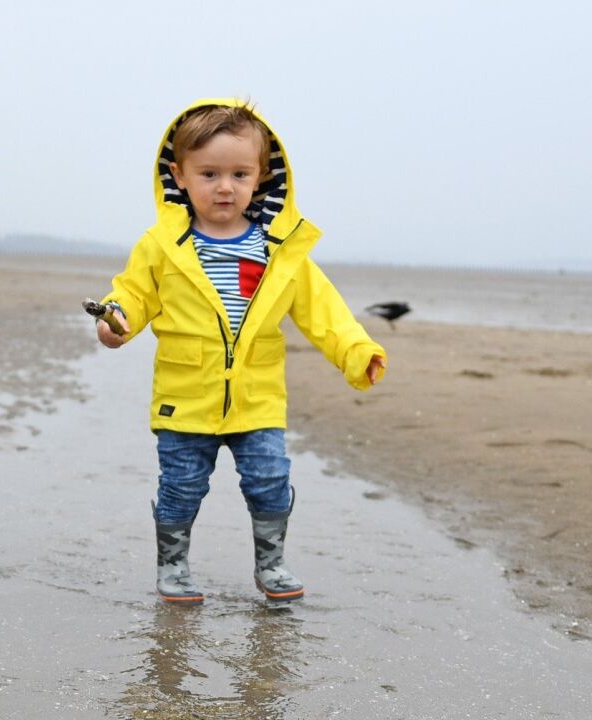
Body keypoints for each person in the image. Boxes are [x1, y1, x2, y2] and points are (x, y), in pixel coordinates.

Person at [92, 98, 385, 605]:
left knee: (270, 479)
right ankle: (174, 566)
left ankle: (271, 563)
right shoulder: (163, 244)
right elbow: (134, 294)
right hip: (185, 397)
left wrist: (356, 350)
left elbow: (324, 311)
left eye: (238, 173)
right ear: (179, 176)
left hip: (258, 396)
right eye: (208, 173)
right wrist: (117, 320)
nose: (224, 186)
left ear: (262, 176)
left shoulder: (279, 247)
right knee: (182, 486)